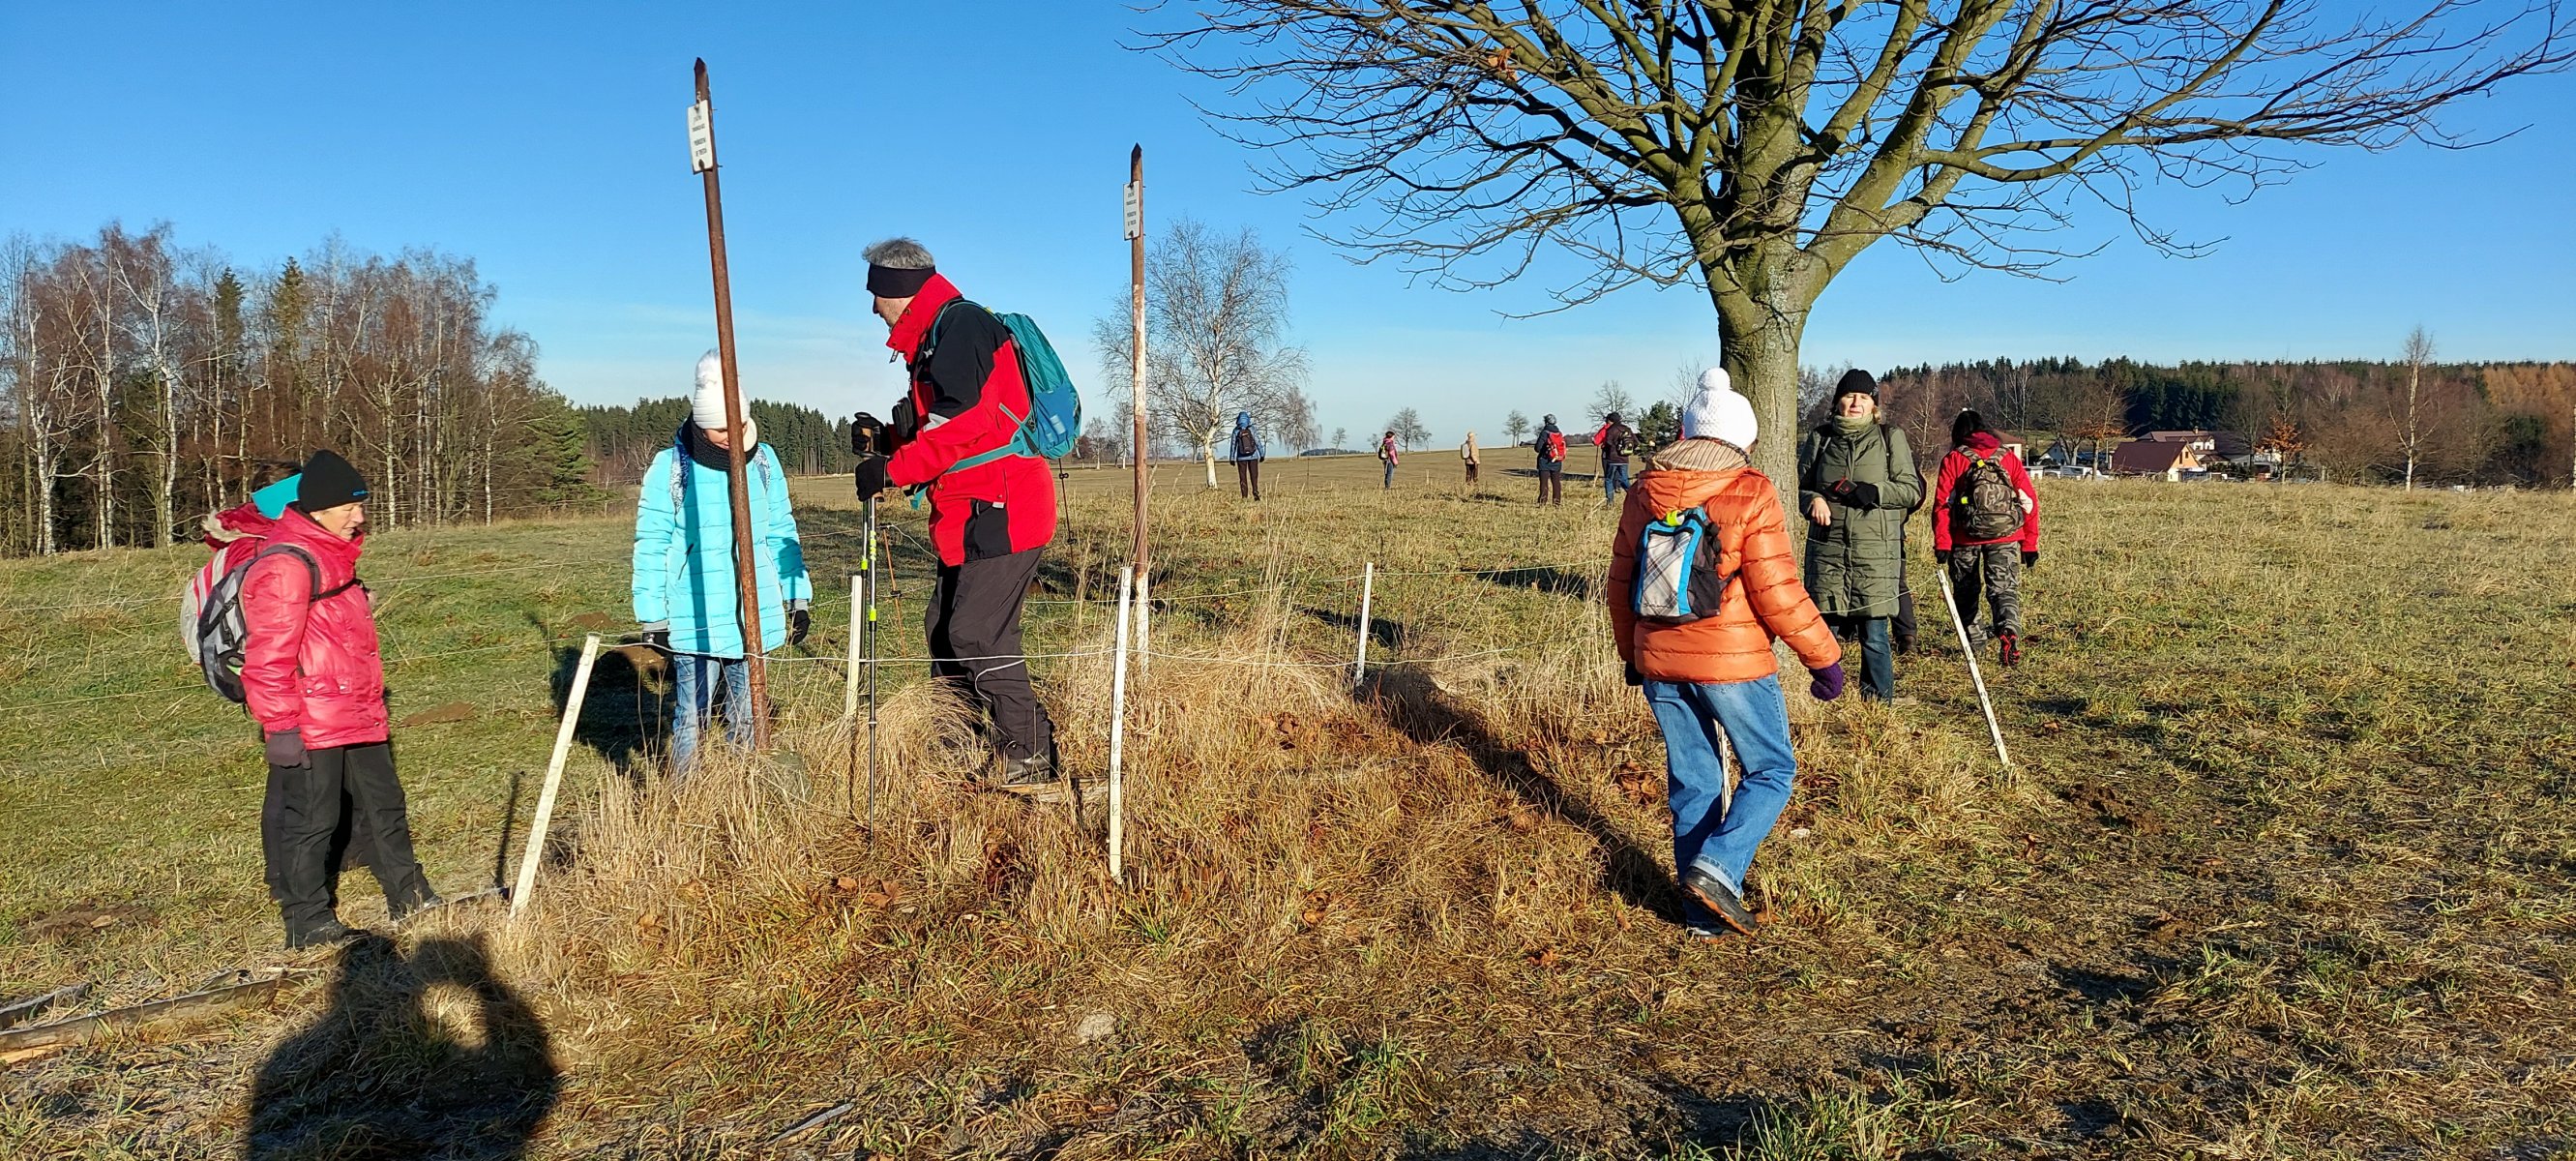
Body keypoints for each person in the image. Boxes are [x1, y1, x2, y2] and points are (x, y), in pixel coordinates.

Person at [1608, 372, 1845, 939]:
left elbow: (1621, 581)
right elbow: (1776, 589)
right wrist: (1822, 657)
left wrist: (1631, 654)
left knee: (1695, 781)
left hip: (1659, 658)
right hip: (1733, 661)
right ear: (1743, 437)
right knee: (1772, 770)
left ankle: (1700, 917)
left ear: (1689, 432)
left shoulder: (1645, 490)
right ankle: (1717, 868)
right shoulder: (1749, 489)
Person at [849, 238, 1062, 787]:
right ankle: (961, 744)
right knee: (944, 632)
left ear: (898, 291)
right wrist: (890, 440)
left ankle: (1031, 755)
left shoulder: (960, 326)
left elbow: (964, 425)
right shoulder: (936, 337)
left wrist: (893, 471)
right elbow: (951, 425)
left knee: (976, 635)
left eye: (876, 294)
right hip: (970, 512)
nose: (873, 307)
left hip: (1003, 507)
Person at [242, 450, 440, 948]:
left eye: (360, 505)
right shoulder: (286, 566)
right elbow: (267, 659)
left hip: (358, 710)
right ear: (317, 509)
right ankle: (307, 921)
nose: (359, 516)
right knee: (313, 820)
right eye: (349, 507)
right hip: (311, 718)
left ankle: (410, 895)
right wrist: (281, 727)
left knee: (385, 805)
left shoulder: (337, 560)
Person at [632, 351, 814, 773]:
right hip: (694, 617)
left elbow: (781, 531)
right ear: (700, 423)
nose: (732, 436)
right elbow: (651, 543)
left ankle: (740, 793)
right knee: (690, 719)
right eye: (720, 429)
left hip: (754, 613)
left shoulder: (764, 461)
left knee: (749, 717)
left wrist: (796, 596)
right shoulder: (671, 468)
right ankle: (686, 798)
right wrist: (654, 617)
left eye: (738, 425)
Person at [1796, 370, 1922, 703]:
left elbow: (1911, 490)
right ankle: (1819, 699)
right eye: (1850, 396)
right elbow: (1800, 488)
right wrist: (1813, 500)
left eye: (1864, 397)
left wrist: (1875, 492)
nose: (1856, 402)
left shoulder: (1890, 437)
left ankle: (1877, 701)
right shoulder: (1821, 438)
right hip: (1828, 551)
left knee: (1874, 634)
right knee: (1824, 632)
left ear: (1874, 405)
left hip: (1874, 553)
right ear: (1838, 401)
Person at [1931, 408, 2041, 665]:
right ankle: (2008, 629)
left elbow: (1942, 505)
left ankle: (1976, 645)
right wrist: (2029, 544)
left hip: (1964, 538)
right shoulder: (2007, 457)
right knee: (2004, 589)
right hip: (2006, 536)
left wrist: (1942, 542)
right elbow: (2029, 502)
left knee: (1966, 593)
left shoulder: (1954, 459)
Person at [1594, 410, 1636, 503]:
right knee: (1624, 479)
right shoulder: (1627, 429)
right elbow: (1636, 442)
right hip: (1624, 459)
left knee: (1609, 479)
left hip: (1612, 459)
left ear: (1611, 420)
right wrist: (1628, 451)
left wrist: (1608, 448)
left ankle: (1610, 502)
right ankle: (1634, 496)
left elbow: (1608, 443)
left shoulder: (1610, 430)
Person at [1229, 410, 1265, 500]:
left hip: (1241, 457)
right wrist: (1262, 454)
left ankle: (1244, 496)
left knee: (1243, 477)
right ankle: (1255, 492)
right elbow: (1257, 441)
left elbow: (1233, 445)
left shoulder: (1236, 430)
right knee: (1254, 476)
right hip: (1253, 456)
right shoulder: (1251, 428)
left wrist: (1232, 458)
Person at [1533, 413, 1566, 505]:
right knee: (1556, 482)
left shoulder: (1545, 433)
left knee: (1544, 483)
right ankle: (1557, 502)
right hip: (1557, 460)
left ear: (1546, 422)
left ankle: (1542, 502)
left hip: (1545, 461)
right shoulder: (1559, 433)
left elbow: (1537, 448)